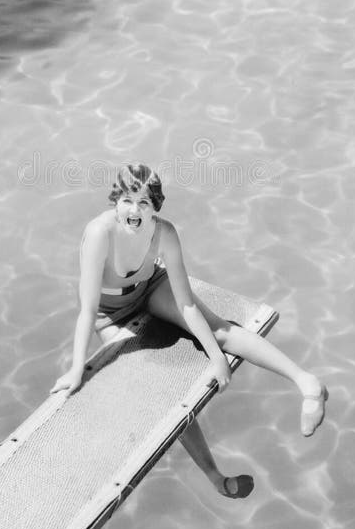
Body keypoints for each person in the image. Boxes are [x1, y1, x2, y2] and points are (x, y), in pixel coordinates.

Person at [51, 163, 328, 499]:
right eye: (126, 200)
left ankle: (307, 383)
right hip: (110, 316)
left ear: (156, 206)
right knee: (160, 391)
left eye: (144, 203)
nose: (134, 210)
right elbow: (87, 308)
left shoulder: (164, 234)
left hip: (150, 289)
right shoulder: (99, 234)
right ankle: (214, 476)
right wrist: (77, 369)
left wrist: (217, 357)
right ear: (115, 201)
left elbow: (187, 306)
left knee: (220, 331)